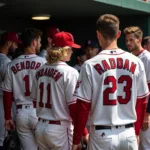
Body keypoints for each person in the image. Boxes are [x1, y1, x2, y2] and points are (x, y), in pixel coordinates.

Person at [72, 14, 149, 150]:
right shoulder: (136, 62)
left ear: (98, 34)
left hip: (102, 135)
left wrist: (77, 138)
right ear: (118, 34)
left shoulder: (90, 64)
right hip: (128, 133)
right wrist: (136, 132)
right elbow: (142, 101)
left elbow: (83, 106)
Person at [30, 31, 88, 150]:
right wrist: (83, 132)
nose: (72, 51)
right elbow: (73, 108)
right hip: (59, 129)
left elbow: (34, 102)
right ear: (64, 50)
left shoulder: (40, 70)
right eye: (71, 48)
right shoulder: (70, 72)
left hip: (41, 127)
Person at [1, 28, 46, 150]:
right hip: (39, 113)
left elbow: (7, 93)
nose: (40, 44)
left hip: (21, 114)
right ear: (34, 43)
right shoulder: (44, 63)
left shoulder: (11, 64)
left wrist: (8, 117)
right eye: (39, 41)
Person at [124, 26, 150, 150]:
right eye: (127, 40)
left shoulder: (148, 58)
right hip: (131, 111)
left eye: (131, 40)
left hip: (145, 112)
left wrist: (146, 115)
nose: (128, 43)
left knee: (145, 146)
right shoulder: (129, 57)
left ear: (139, 40)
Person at [0, 32, 21, 150]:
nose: (17, 47)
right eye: (15, 44)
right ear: (8, 43)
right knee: (3, 140)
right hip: (3, 105)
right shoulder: (7, 63)